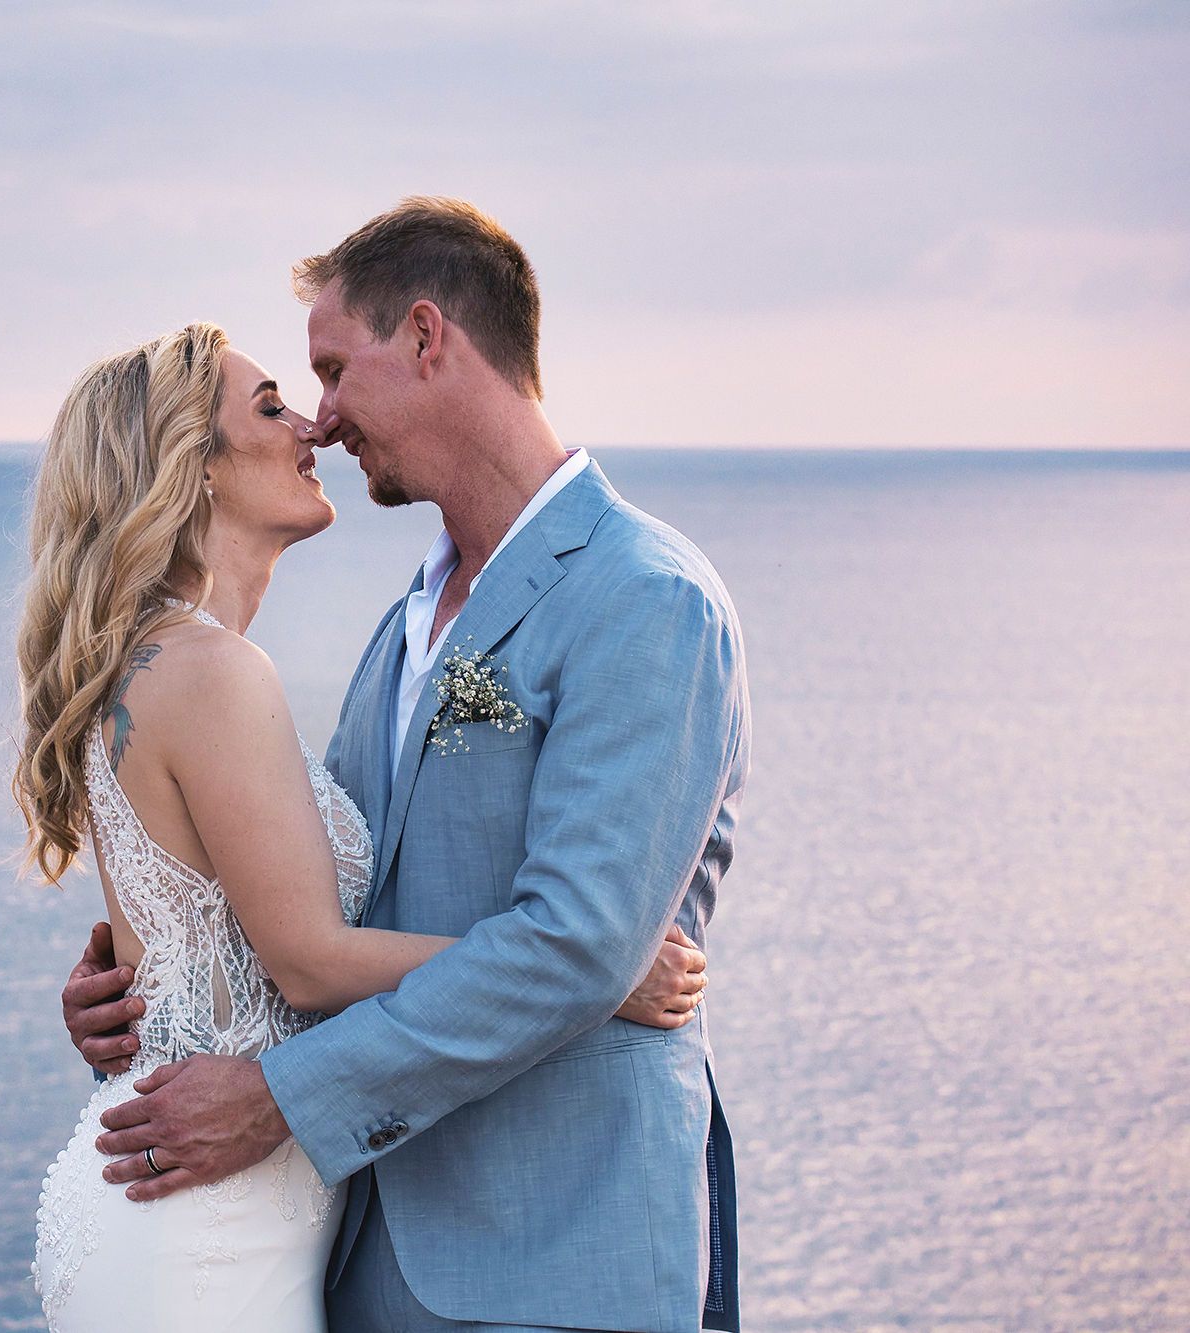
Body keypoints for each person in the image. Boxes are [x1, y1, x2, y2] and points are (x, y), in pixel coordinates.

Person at [58, 198, 750, 1332]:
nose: (321, 420)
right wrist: (144, 987)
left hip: (559, 1252)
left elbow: (579, 942)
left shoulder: (642, 599)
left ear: (427, 338)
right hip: (364, 1258)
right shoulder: (409, 623)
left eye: (331, 371)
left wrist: (281, 1099)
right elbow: (318, 906)